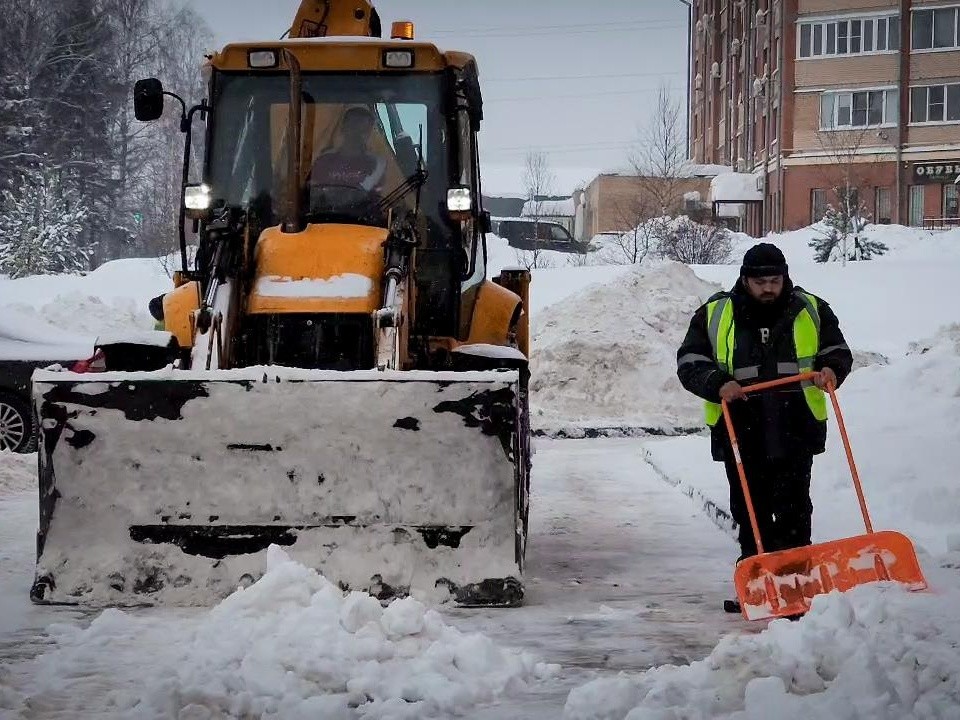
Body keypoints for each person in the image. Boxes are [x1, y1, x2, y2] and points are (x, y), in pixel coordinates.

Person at [676, 243, 853, 609]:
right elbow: (690, 361)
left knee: (794, 508)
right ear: (745, 280)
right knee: (750, 511)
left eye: (775, 280)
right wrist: (715, 383)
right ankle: (757, 589)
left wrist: (831, 370)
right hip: (741, 427)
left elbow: (837, 350)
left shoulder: (811, 309)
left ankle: (795, 590)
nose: (769, 288)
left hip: (796, 425)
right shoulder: (715, 313)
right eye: (761, 282)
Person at [308, 105, 386, 195]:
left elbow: (377, 198)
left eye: (363, 129)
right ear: (343, 128)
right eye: (353, 126)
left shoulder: (376, 164)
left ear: (369, 133)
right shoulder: (324, 160)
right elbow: (311, 195)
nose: (357, 133)